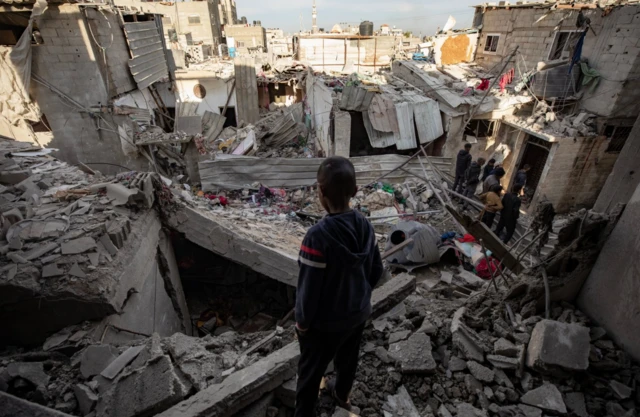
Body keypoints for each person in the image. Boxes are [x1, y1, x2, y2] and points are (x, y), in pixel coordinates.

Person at [295, 156, 384, 417]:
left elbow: (308, 291)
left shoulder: (317, 236)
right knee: (348, 359)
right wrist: (358, 296)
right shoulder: (366, 226)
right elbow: (376, 270)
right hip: (357, 314)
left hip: (324, 325)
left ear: (320, 192)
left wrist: (302, 324)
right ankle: (341, 395)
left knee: (310, 372)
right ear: (355, 192)